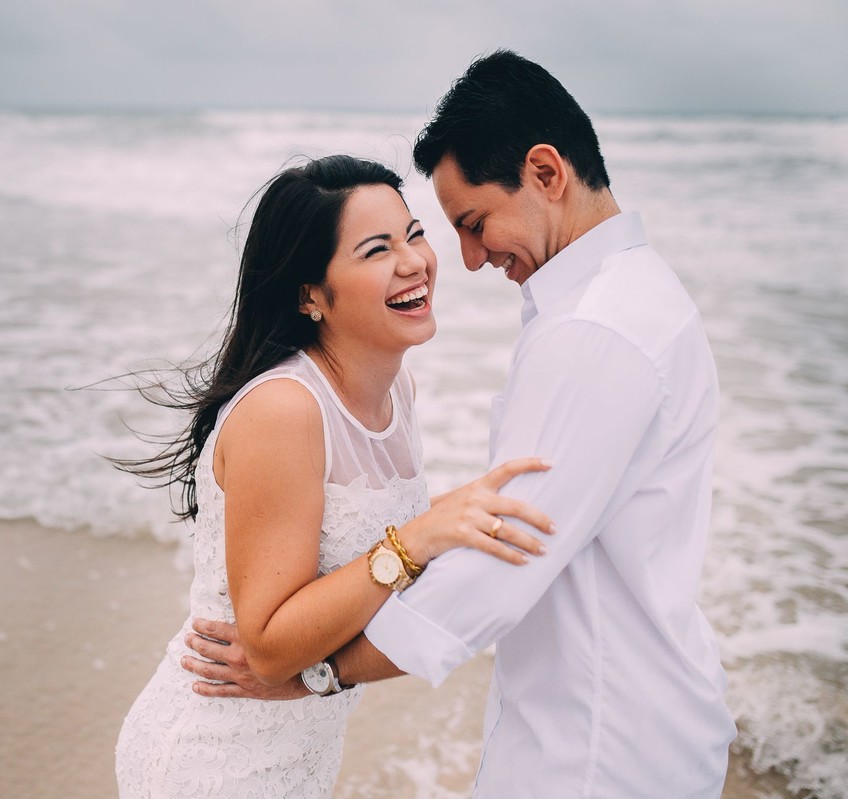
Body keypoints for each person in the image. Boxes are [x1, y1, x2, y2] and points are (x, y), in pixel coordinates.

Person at [182, 51, 738, 797]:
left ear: (546, 173)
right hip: (606, 721)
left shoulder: (596, 331)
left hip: (598, 748)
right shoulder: (631, 297)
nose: (467, 259)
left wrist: (319, 675)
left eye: (470, 224)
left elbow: (496, 566)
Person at [113, 154, 556, 797]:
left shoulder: (396, 389)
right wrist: (418, 540)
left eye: (415, 234)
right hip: (212, 760)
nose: (414, 262)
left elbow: (365, 594)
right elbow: (267, 648)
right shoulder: (284, 411)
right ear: (310, 294)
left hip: (295, 749)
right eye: (377, 249)